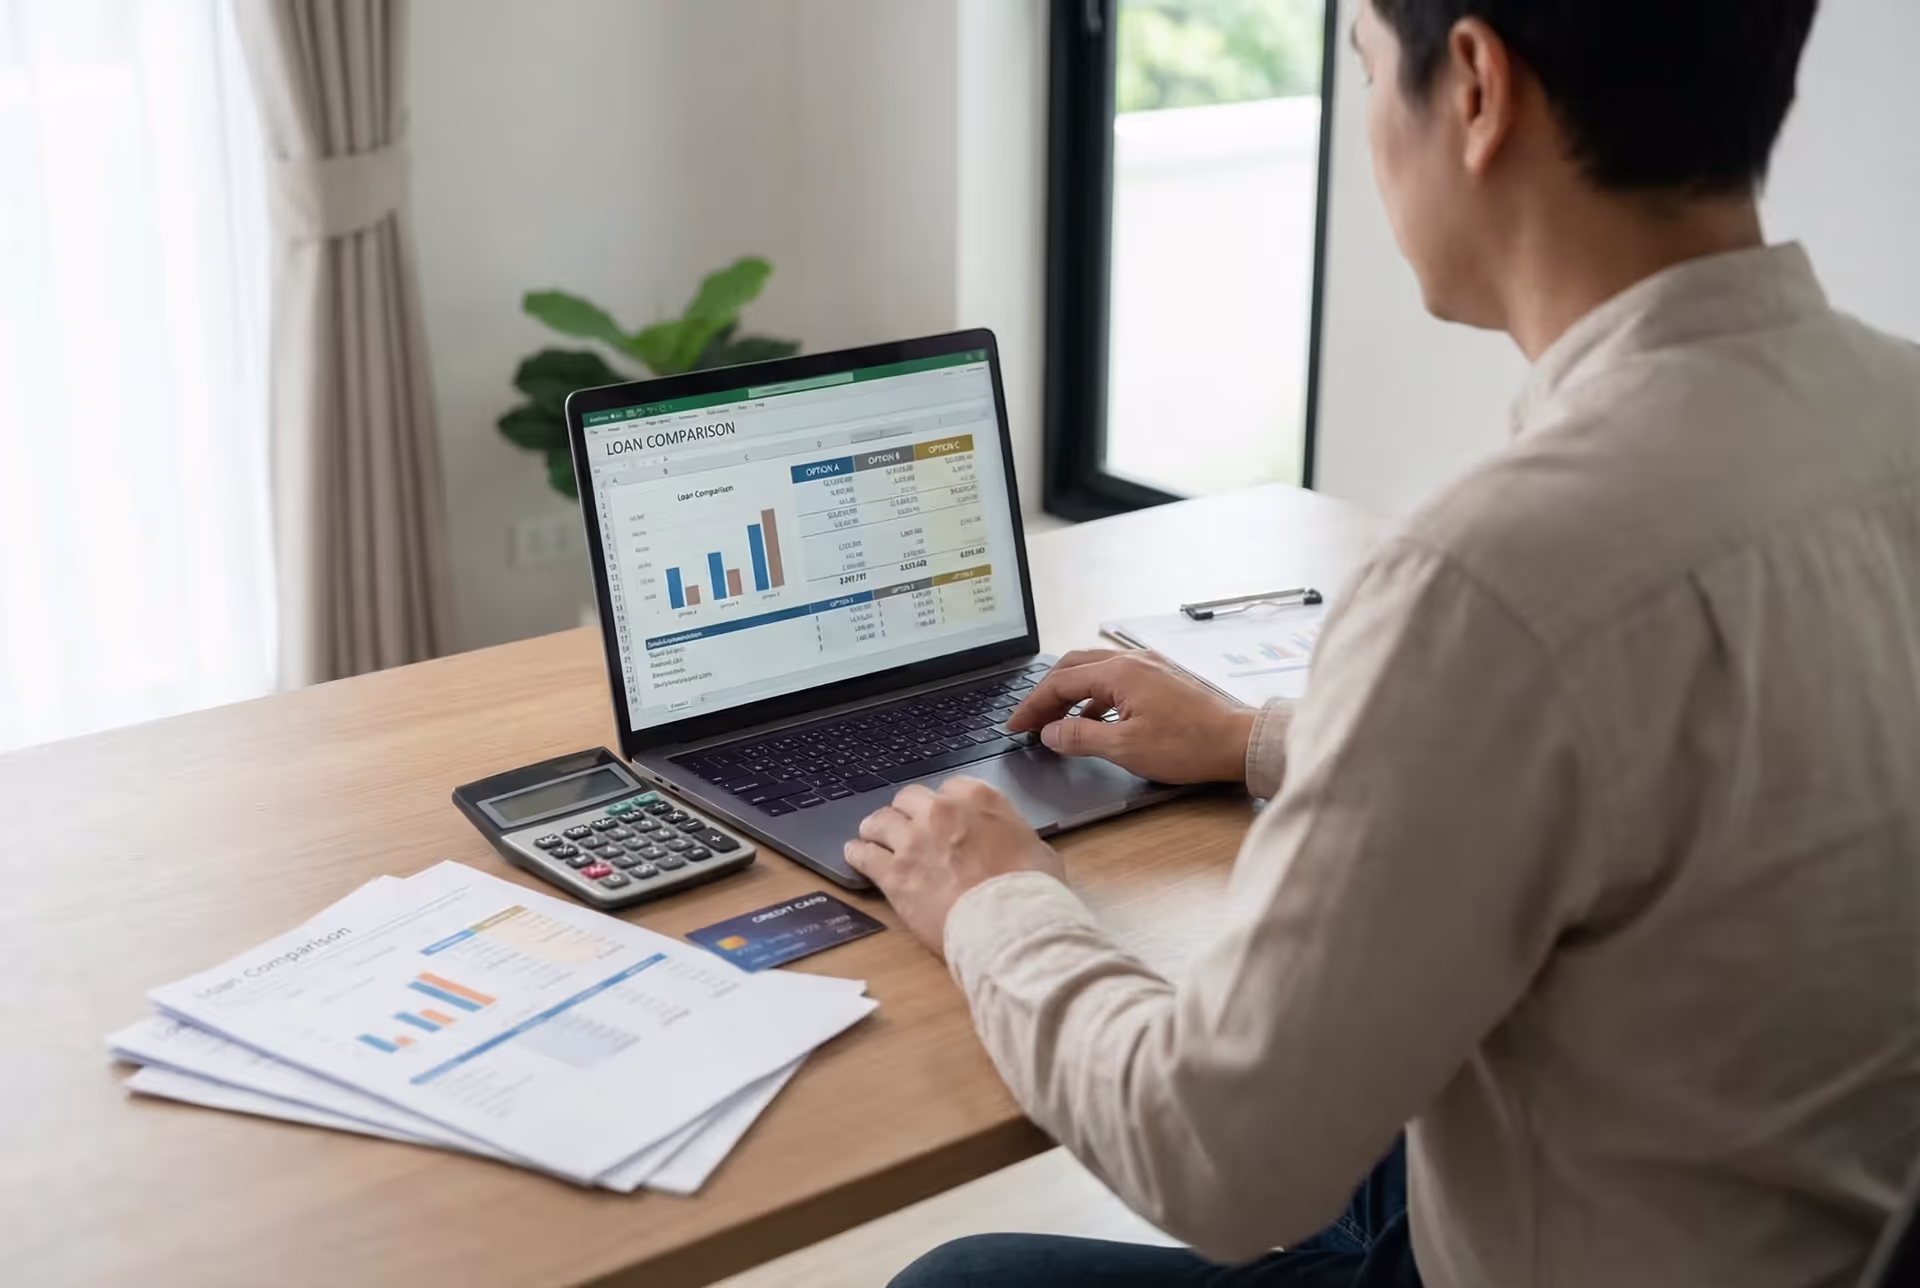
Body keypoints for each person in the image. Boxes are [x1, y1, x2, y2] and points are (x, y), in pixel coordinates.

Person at [843, 0, 1920, 1285]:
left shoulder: (1496, 573)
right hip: (1804, 1205)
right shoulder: (1892, 413)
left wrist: (993, 899)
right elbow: (1690, 749)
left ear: (1473, 86)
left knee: (957, 1282)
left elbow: (1214, 1160)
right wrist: (1256, 740)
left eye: (1360, 66)